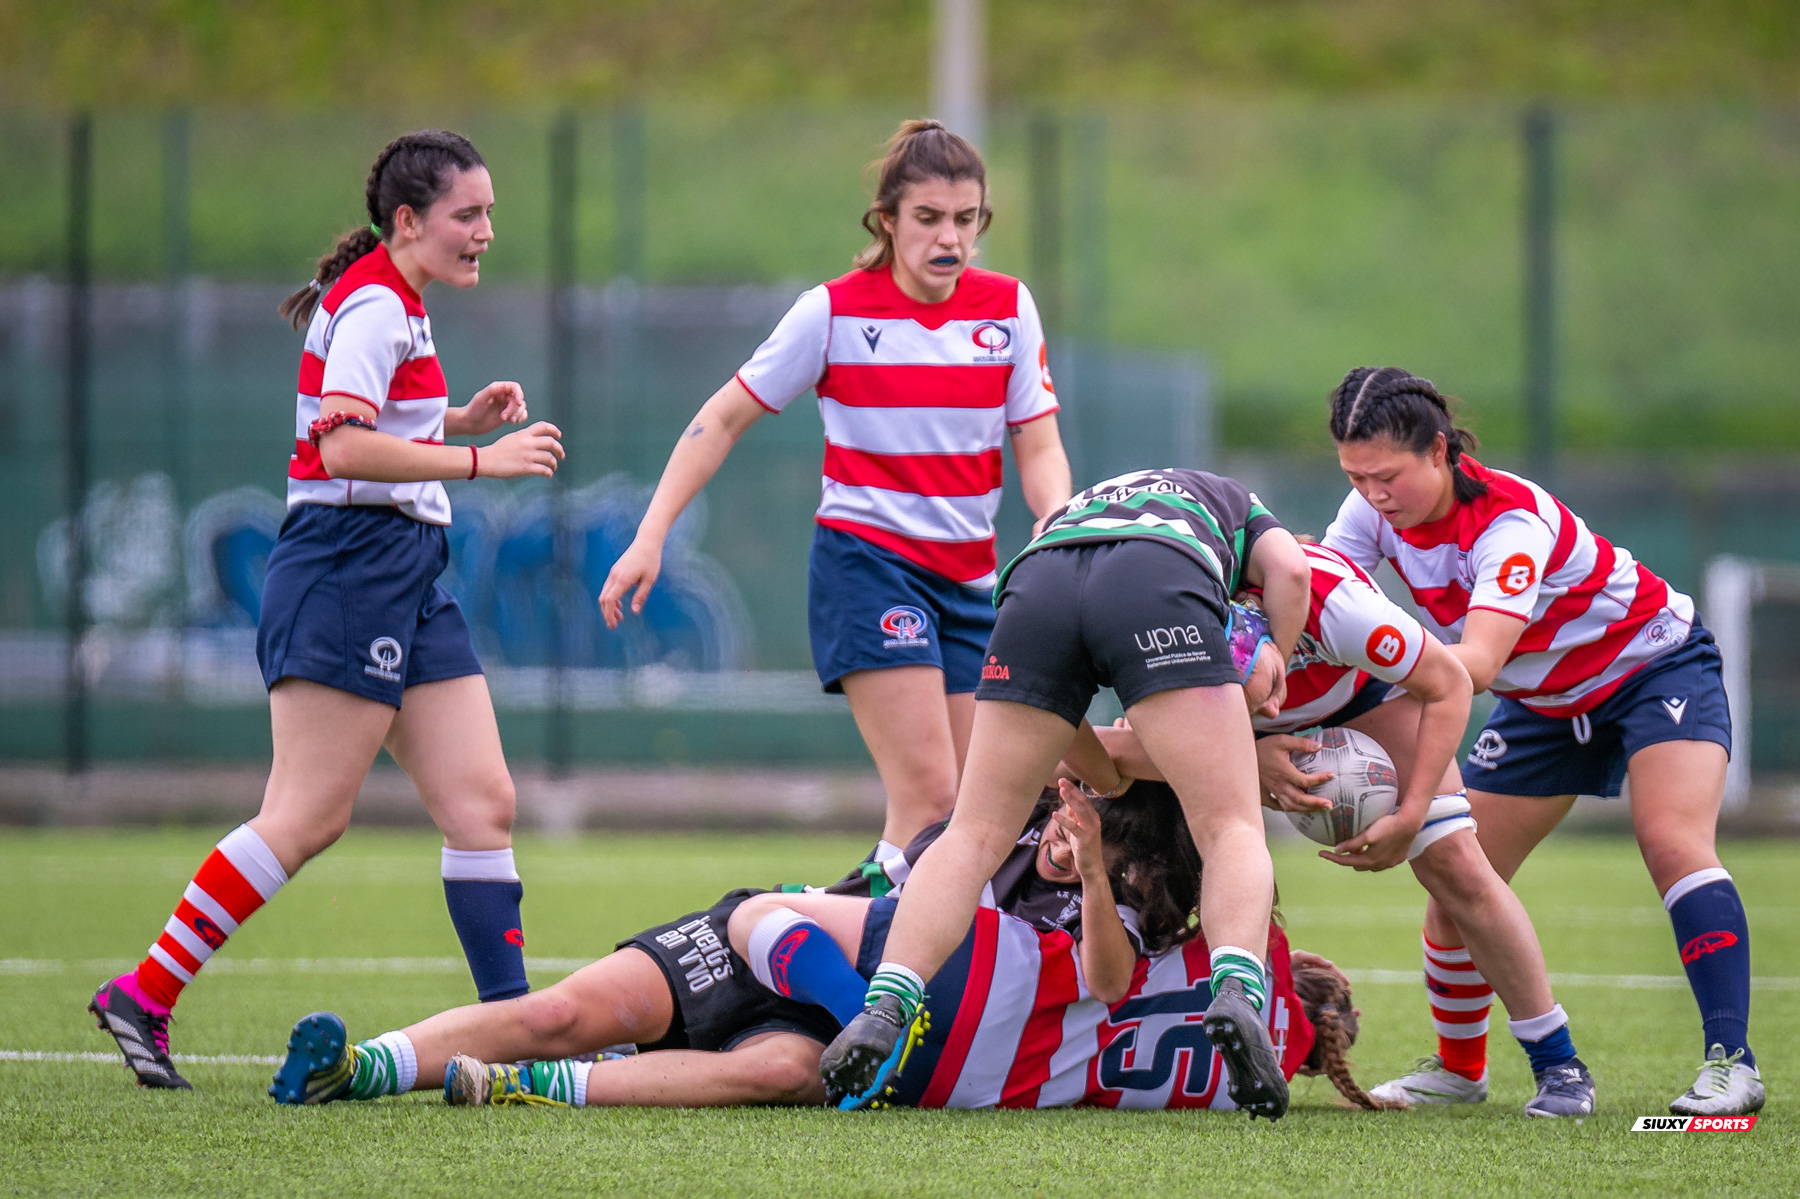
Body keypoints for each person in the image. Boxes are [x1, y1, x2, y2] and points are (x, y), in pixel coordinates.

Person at [89, 130, 567, 1090]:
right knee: (305, 814)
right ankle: (143, 990)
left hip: (405, 569)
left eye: (488, 214)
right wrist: (481, 460)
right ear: (406, 220)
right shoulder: (376, 309)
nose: (484, 232)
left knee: (484, 804)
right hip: (348, 567)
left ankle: (513, 1031)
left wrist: (456, 419)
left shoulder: (398, 304)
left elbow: (370, 426)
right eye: (466, 214)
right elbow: (342, 449)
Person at [268, 783, 1393, 1113]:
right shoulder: (974, 843)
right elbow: (780, 920)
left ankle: (512, 1092)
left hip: (845, 1028)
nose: (1057, 839)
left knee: (785, 1070)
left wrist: (1097, 866)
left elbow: (1108, 977)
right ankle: (359, 1063)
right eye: (1056, 821)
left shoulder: (1128, 916)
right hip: (789, 953)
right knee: (564, 1005)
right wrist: (868, 996)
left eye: (1084, 833)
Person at [598, 119, 1072, 856]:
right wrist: (651, 533)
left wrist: (1055, 520)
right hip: (870, 567)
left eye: (965, 219)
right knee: (932, 798)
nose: (949, 237)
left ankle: (869, 930)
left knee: (985, 814)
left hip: (972, 583)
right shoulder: (833, 312)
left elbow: (1038, 445)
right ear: (886, 221)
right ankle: (890, 964)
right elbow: (721, 419)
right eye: (928, 218)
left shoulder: (1008, 308)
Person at [1320, 365, 1759, 1118]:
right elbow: (1328, 598)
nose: (1372, 495)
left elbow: (1479, 664)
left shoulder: (1511, 522)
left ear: (1439, 451)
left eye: (1386, 476)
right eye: (1355, 478)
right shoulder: (1369, 511)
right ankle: (1460, 1071)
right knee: (1457, 873)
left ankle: (1731, 1067)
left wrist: (1384, 688)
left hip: (1651, 668)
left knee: (1673, 842)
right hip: (1544, 701)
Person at [820, 467, 1313, 1120]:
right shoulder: (1237, 501)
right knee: (1229, 826)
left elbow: (1070, 732)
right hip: (1159, 582)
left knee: (973, 832)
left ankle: (889, 1000)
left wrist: (1109, 778)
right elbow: (1295, 574)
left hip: (1037, 584)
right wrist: (1274, 648)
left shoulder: (1089, 504)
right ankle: (1238, 993)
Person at [1101, 578, 1596, 1116]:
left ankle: (1559, 1064)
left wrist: (1410, 818)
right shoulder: (1162, 628)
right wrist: (1251, 755)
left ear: (1276, 645)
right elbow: (1117, 748)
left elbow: (1450, 684)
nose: (1273, 705)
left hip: (1361, 700)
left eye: (1268, 683)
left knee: (1455, 863)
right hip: (1226, 735)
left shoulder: (1337, 607)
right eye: (1251, 699)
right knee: (1133, 813)